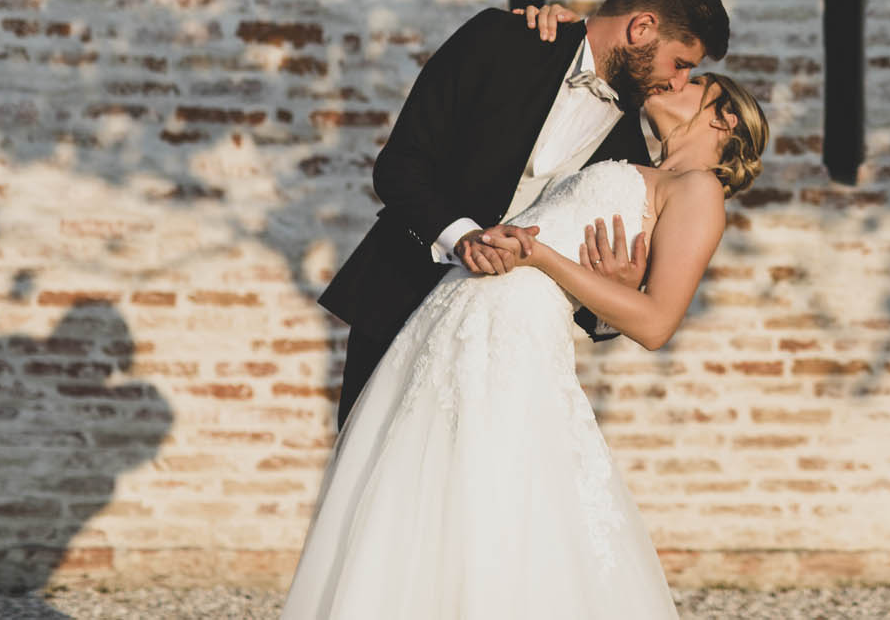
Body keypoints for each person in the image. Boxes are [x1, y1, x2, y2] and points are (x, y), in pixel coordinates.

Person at [280, 36, 770, 618]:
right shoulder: (633, 158)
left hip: (514, 342)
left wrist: (544, 260)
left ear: (725, 116)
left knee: (498, 501)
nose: (673, 81)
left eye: (692, 79)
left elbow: (658, 323)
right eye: (681, 66)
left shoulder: (700, 191)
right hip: (453, 326)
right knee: (421, 503)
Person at [316, 0, 730, 427]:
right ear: (641, 28)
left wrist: (610, 299)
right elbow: (399, 165)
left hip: (507, 352)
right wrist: (463, 237)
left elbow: (602, 296)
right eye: (680, 63)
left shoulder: (632, 154)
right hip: (397, 302)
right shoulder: (503, 38)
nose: (678, 81)